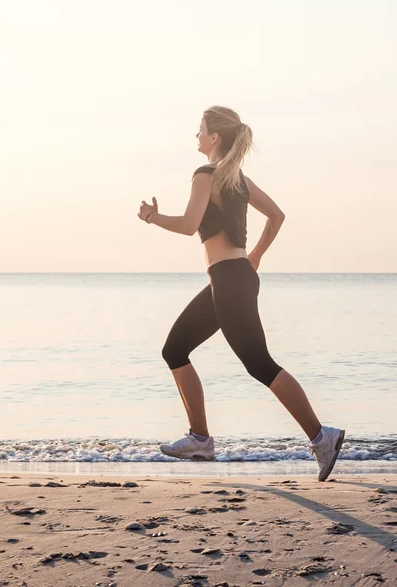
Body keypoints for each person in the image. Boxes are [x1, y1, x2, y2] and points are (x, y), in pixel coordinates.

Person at [137, 105, 345, 481]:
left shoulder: (205, 175)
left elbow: (188, 226)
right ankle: (200, 438)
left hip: (230, 280)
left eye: (199, 131)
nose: (196, 137)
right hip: (232, 278)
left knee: (259, 363)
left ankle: (321, 436)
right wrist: (256, 257)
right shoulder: (238, 178)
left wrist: (153, 217)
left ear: (214, 137)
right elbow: (277, 216)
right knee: (175, 349)